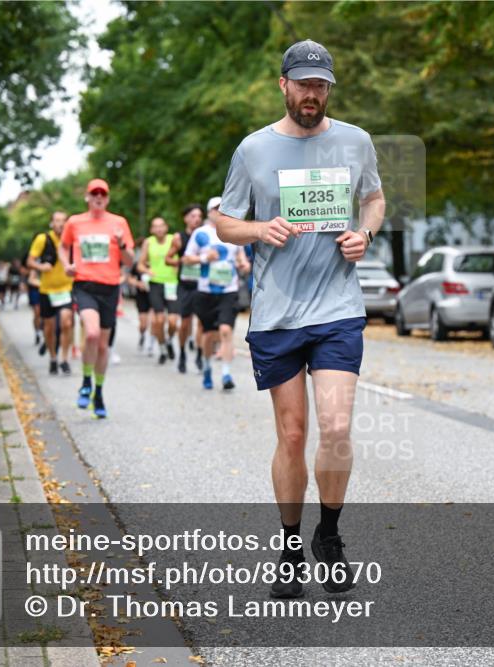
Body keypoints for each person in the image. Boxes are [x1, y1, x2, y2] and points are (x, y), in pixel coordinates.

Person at [216, 39, 385, 598]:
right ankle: (289, 544)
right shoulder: (253, 150)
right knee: (293, 434)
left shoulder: (355, 141)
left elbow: (375, 199)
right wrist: (259, 230)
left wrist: (365, 233)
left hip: (338, 307)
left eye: (321, 85)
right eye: (303, 84)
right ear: (283, 84)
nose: (312, 94)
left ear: (329, 88)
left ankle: (329, 535)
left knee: (335, 428)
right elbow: (225, 223)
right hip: (277, 313)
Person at [58, 178, 134, 419]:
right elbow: (63, 246)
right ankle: (86, 382)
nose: (98, 197)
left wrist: (122, 243)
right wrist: (66, 265)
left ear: (107, 198)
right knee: (90, 333)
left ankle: (98, 392)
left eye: (102, 194)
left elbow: (130, 261)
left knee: (103, 346)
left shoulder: (119, 223)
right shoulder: (75, 222)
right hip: (84, 285)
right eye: (94, 193)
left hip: (110, 288)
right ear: (87, 198)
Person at [186, 196, 250, 390]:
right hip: (205, 291)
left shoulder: (233, 232)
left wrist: (244, 264)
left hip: (228, 290)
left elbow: (241, 257)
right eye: (216, 209)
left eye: (223, 208)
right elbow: (187, 259)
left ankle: (226, 374)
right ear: (209, 213)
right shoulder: (200, 233)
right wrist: (205, 257)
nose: (219, 212)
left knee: (225, 330)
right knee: (209, 336)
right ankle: (206, 368)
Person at [28, 211, 75, 376]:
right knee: (49, 327)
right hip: (47, 290)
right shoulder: (43, 239)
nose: (60, 224)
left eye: (63, 221)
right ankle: (53, 358)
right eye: (57, 221)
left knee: (66, 323)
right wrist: (42, 268)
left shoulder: (72, 239)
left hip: (67, 289)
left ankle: (64, 359)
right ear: (51, 224)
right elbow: (30, 261)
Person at [138, 217, 183, 365]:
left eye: (161, 226)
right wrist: (147, 271)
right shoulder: (148, 242)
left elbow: (181, 258)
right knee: (158, 320)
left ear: (166, 227)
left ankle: (169, 340)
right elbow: (140, 265)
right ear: (151, 229)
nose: (158, 229)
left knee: (173, 322)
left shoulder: (173, 239)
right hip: (155, 283)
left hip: (172, 283)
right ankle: (162, 347)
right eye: (155, 226)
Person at [176, 204, 205, 374]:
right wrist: (181, 261)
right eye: (193, 216)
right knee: (185, 323)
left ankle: (200, 354)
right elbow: (168, 259)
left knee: (201, 323)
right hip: (185, 285)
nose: (197, 219)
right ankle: (182, 353)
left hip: (201, 284)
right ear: (186, 218)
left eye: (199, 216)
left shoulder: (205, 236)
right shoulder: (179, 238)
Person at [128, 236, 154, 356]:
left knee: (154, 321)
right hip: (142, 295)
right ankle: (142, 334)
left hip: (154, 294)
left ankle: (151, 345)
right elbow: (129, 279)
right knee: (143, 323)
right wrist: (138, 284)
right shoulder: (137, 265)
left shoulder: (156, 263)